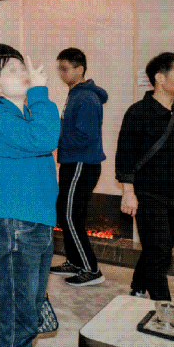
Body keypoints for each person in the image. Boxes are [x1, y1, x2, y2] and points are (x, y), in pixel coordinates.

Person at [0, 44, 60, 347]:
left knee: (29, 315)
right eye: (11, 70)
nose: (23, 73)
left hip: (38, 223)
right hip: (17, 227)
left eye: (20, 66)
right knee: (18, 322)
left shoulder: (24, 115)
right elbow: (45, 139)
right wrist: (39, 92)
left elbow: (46, 137)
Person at [116, 52, 174, 301]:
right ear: (160, 78)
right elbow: (125, 156)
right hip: (149, 194)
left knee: (159, 249)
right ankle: (165, 310)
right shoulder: (137, 113)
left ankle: (138, 286)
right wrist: (128, 193)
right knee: (159, 253)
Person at [50, 48, 108, 286]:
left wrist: (56, 139)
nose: (61, 73)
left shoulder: (86, 98)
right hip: (73, 162)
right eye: (60, 69)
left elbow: (86, 136)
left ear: (80, 69)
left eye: (65, 69)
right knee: (68, 214)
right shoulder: (76, 94)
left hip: (81, 164)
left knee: (70, 216)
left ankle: (91, 269)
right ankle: (75, 262)